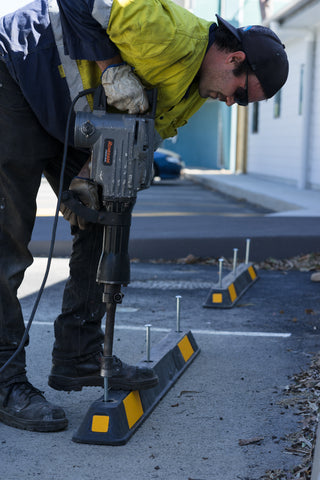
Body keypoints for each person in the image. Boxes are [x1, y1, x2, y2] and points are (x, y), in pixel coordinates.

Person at [0, 0, 289, 433]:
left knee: (110, 206)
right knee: (9, 240)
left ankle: (79, 353)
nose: (232, 104)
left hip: (71, 112)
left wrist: (92, 174)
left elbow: (137, 133)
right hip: (21, 74)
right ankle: (6, 382)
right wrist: (112, 67)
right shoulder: (168, 35)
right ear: (234, 58)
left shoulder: (196, 93)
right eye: (241, 94)